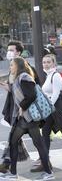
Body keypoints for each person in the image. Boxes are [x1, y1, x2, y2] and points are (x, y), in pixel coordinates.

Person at [0, 57, 53, 181]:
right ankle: (47, 171)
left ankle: (14, 173)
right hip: (27, 118)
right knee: (37, 143)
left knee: (15, 141)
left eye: (12, 65)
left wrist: (22, 107)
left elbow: (31, 95)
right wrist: (7, 87)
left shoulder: (25, 77)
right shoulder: (20, 78)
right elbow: (18, 91)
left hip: (27, 117)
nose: (10, 67)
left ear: (18, 66)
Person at [0, 41, 30, 174]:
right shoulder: (12, 68)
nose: (9, 52)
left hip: (22, 109)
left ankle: (7, 164)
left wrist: (10, 88)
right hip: (15, 108)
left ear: (18, 52)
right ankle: (7, 163)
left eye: (11, 50)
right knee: (16, 137)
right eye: (8, 49)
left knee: (15, 137)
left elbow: (28, 89)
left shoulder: (23, 67)